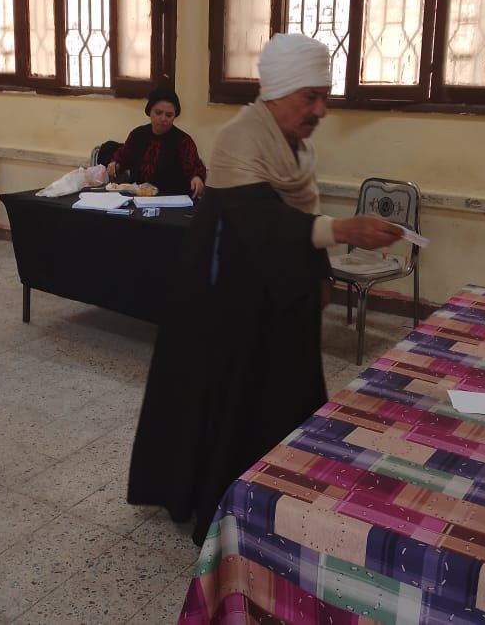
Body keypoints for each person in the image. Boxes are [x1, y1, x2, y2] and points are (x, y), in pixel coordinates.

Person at [127, 34, 403, 545]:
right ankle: (226, 505)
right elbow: (262, 223)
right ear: (277, 92)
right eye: (310, 97)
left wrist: (320, 275)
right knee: (236, 406)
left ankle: (284, 496)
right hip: (226, 303)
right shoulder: (240, 139)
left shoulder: (296, 146)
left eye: (324, 97)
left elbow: (299, 212)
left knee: (285, 398)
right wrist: (343, 230)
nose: (320, 110)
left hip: (280, 293)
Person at [106, 87, 207, 198]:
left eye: (169, 115)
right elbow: (122, 156)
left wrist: (197, 178)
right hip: (138, 197)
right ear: (149, 112)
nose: (163, 119)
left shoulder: (184, 141)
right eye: (158, 113)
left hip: (170, 199)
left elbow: (194, 167)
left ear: (175, 116)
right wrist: (115, 164)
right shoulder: (137, 135)